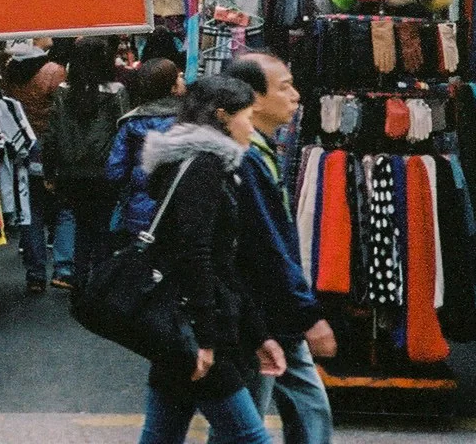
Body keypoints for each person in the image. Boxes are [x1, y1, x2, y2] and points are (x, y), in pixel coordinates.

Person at [136, 74, 285, 444]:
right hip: (200, 331)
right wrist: (204, 338)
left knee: (161, 436)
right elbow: (197, 253)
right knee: (251, 438)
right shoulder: (204, 166)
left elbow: (218, 262)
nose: (251, 128)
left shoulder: (193, 163)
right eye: (247, 117)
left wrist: (259, 334)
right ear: (222, 116)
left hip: (183, 326)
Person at [224, 54, 336, 444]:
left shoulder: (260, 150)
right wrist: (307, 313)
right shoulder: (245, 157)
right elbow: (266, 244)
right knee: (246, 426)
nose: (296, 95)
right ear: (254, 98)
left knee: (307, 409)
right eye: (284, 87)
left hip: (273, 310)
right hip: (258, 315)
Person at [45, 38, 129, 288]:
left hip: (71, 172)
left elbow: (52, 134)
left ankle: (79, 280)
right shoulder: (116, 92)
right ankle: (99, 283)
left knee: (81, 227)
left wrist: (49, 171)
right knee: (103, 228)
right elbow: (123, 133)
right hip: (105, 171)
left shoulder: (63, 91)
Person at [4, 45, 69, 292]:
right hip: (51, 147)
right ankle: (64, 269)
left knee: (30, 212)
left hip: (23, 146)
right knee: (64, 209)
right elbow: (62, 112)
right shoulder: (54, 71)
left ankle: (35, 274)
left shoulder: (10, 73)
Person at [107, 59, 185, 236]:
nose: (182, 78)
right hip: (181, 209)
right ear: (172, 87)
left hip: (139, 208)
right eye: (178, 77)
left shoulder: (131, 123)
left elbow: (115, 170)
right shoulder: (191, 121)